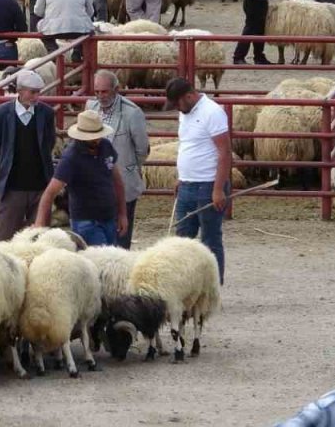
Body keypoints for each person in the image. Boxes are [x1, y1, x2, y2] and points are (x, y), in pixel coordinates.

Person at [164, 78, 231, 283]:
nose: (177, 108)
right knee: (182, 238)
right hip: (188, 183)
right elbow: (188, 145)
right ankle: (184, 285)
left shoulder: (212, 112)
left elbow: (225, 152)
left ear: (189, 96)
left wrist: (218, 189)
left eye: (178, 103)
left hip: (208, 184)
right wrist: (181, 177)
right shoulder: (185, 113)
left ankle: (213, 288)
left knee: (210, 239)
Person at [33, 109, 127, 246]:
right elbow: (50, 192)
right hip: (86, 221)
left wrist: (122, 214)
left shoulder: (106, 147)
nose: (97, 139)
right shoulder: (71, 158)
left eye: (98, 134)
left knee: (110, 259)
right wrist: (40, 225)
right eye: (93, 136)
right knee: (101, 261)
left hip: (109, 217)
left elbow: (117, 181)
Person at [0, 70, 56, 240]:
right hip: (13, 185)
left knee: (40, 237)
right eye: (32, 92)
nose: (36, 96)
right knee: (4, 235)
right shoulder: (1, 114)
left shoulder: (46, 114)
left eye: (38, 92)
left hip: (39, 185)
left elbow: (50, 142)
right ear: (20, 91)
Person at [85, 69, 149, 248]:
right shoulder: (90, 107)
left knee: (121, 235)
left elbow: (142, 149)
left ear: (116, 89)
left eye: (104, 91)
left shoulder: (132, 113)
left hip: (123, 181)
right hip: (96, 183)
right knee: (97, 235)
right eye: (97, 92)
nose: (100, 96)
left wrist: (128, 167)